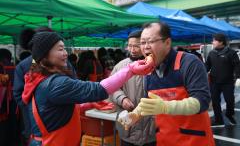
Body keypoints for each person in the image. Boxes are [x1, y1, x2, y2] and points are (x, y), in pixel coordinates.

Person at [23, 32, 154, 146]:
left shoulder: (40, 76)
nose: (65, 54)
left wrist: (88, 104)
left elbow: (56, 110)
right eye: (60, 49)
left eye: (64, 49)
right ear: (45, 55)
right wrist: (131, 70)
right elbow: (98, 89)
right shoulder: (55, 83)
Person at [119, 22, 215, 146]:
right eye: (142, 43)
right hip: (165, 139)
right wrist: (135, 115)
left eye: (150, 41)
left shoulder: (189, 62)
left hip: (194, 139)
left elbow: (202, 102)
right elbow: (150, 102)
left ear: (167, 43)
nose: (146, 47)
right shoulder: (149, 71)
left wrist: (165, 107)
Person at [110, 30, 156, 146]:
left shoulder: (156, 66)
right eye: (130, 46)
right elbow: (112, 87)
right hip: (127, 127)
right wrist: (122, 98)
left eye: (136, 46)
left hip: (151, 129)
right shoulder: (120, 66)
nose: (132, 50)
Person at [205, 33, 240, 126]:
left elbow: (237, 66)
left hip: (227, 82)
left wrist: (238, 77)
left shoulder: (231, 53)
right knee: (215, 102)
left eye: (214, 40)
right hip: (214, 82)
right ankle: (218, 120)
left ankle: (229, 114)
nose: (212, 42)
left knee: (230, 100)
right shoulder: (212, 53)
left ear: (221, 42)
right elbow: (207, 66)